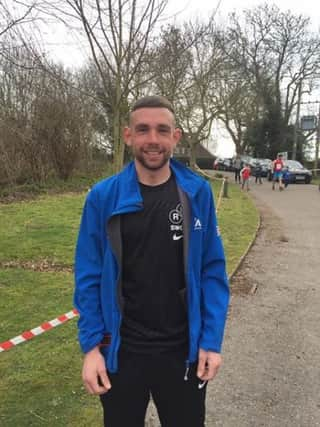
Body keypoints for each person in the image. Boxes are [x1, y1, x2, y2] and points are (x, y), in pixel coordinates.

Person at [74, 95, 230, 427]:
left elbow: (212, 272)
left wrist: (211, 342)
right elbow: (88, 277)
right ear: (128, 135)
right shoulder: (103, 197)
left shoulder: (196, 193)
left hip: (182, 354)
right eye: (143, 130)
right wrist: (91, 349)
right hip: (121, 355)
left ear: (176, 136)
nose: (153, 140)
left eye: (163, 130)